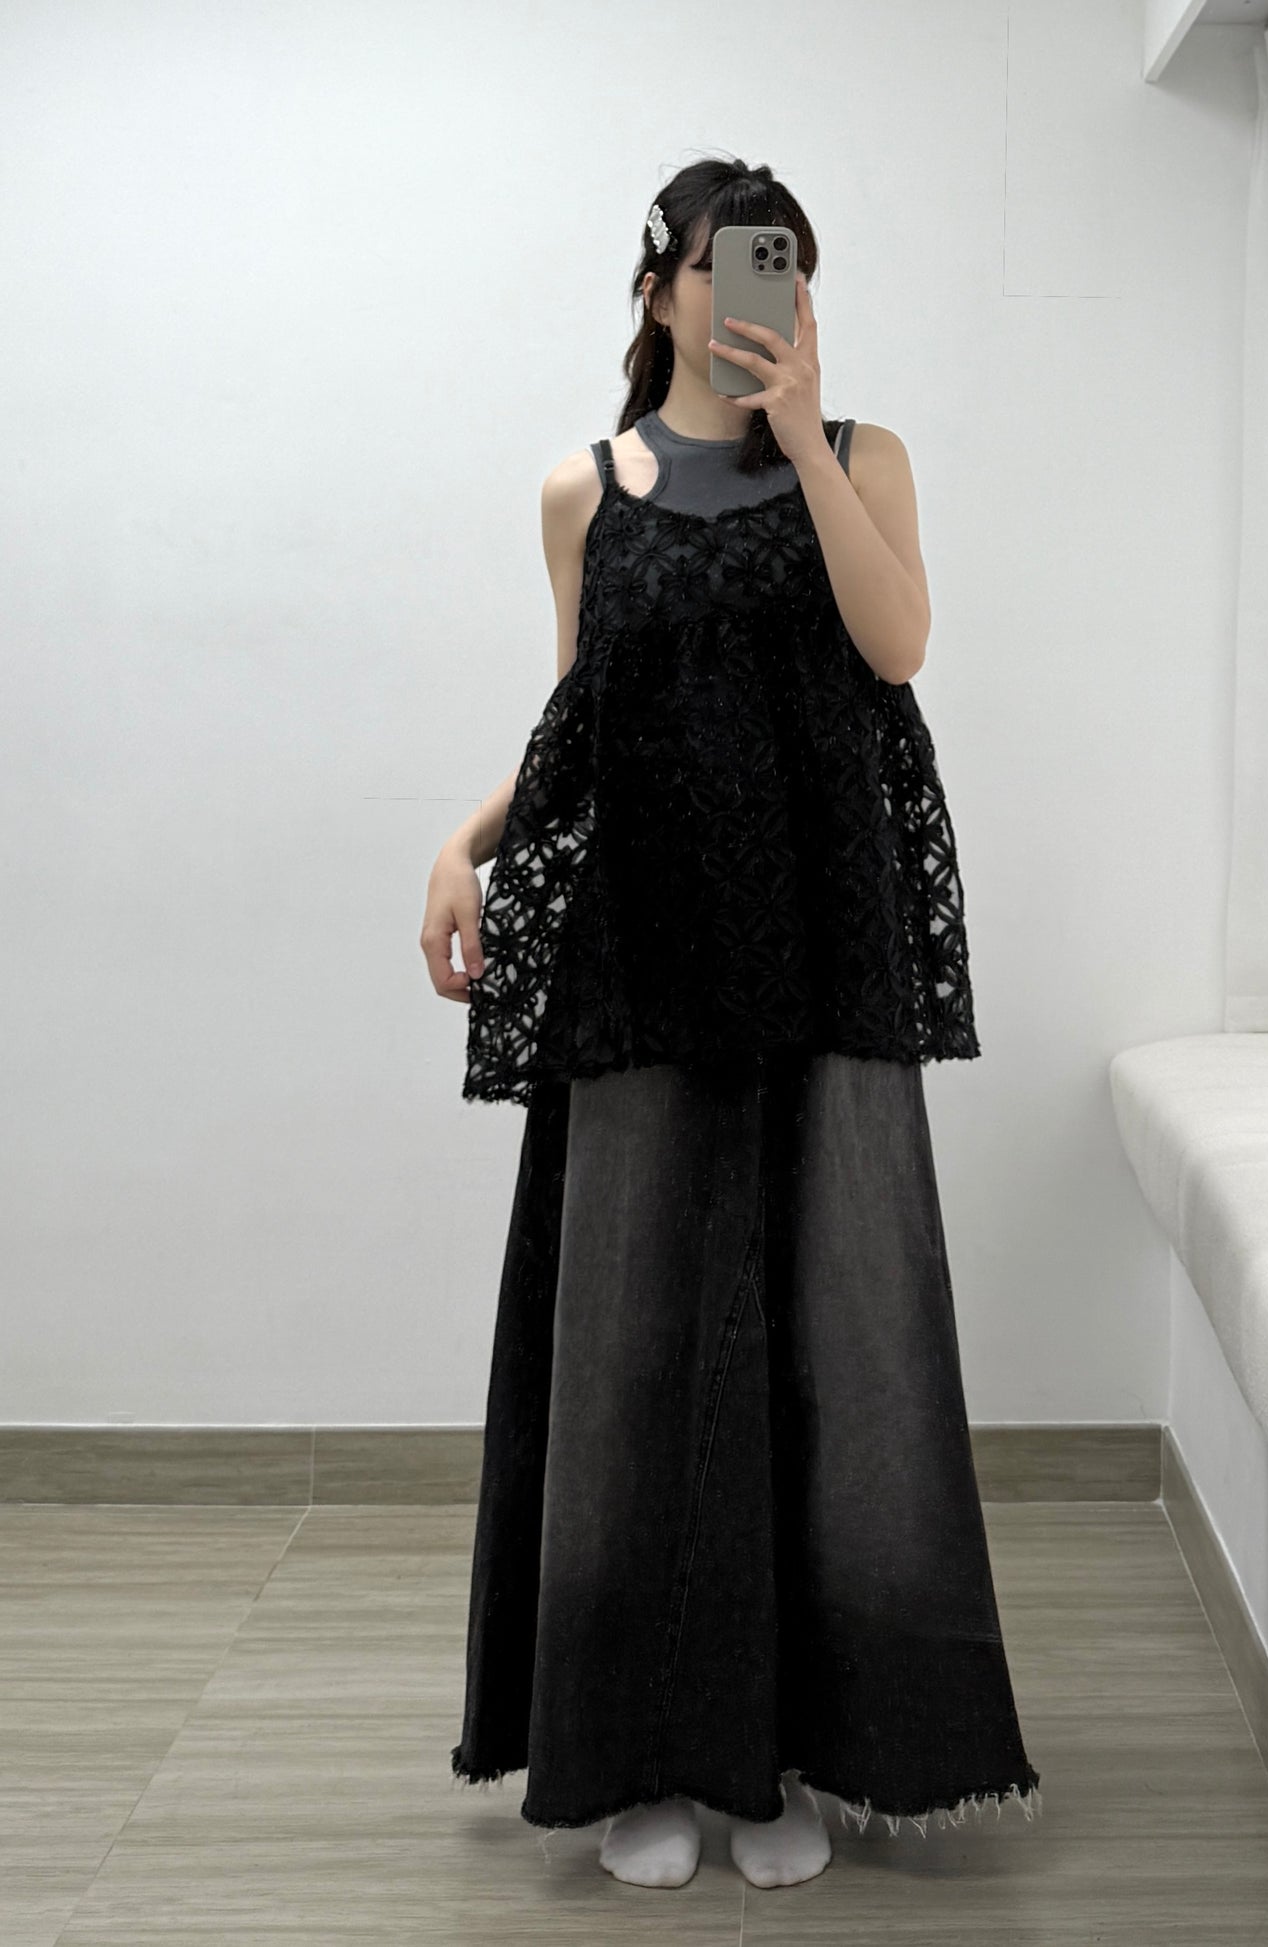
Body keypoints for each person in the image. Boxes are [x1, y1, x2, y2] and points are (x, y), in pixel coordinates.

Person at [419, 158, 1040, 1893]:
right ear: (660, 290)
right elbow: (580, 723)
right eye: (727, 266)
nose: (761, 294)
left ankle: (781, 1760)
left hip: (822, 955)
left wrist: (809, 439)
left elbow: (895, 648)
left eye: (788, 269)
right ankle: (643, 1757)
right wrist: (467, 845)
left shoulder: (864, 459)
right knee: (630, 1359)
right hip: (640, 956)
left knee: (828, 1347)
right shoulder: (583, 489)